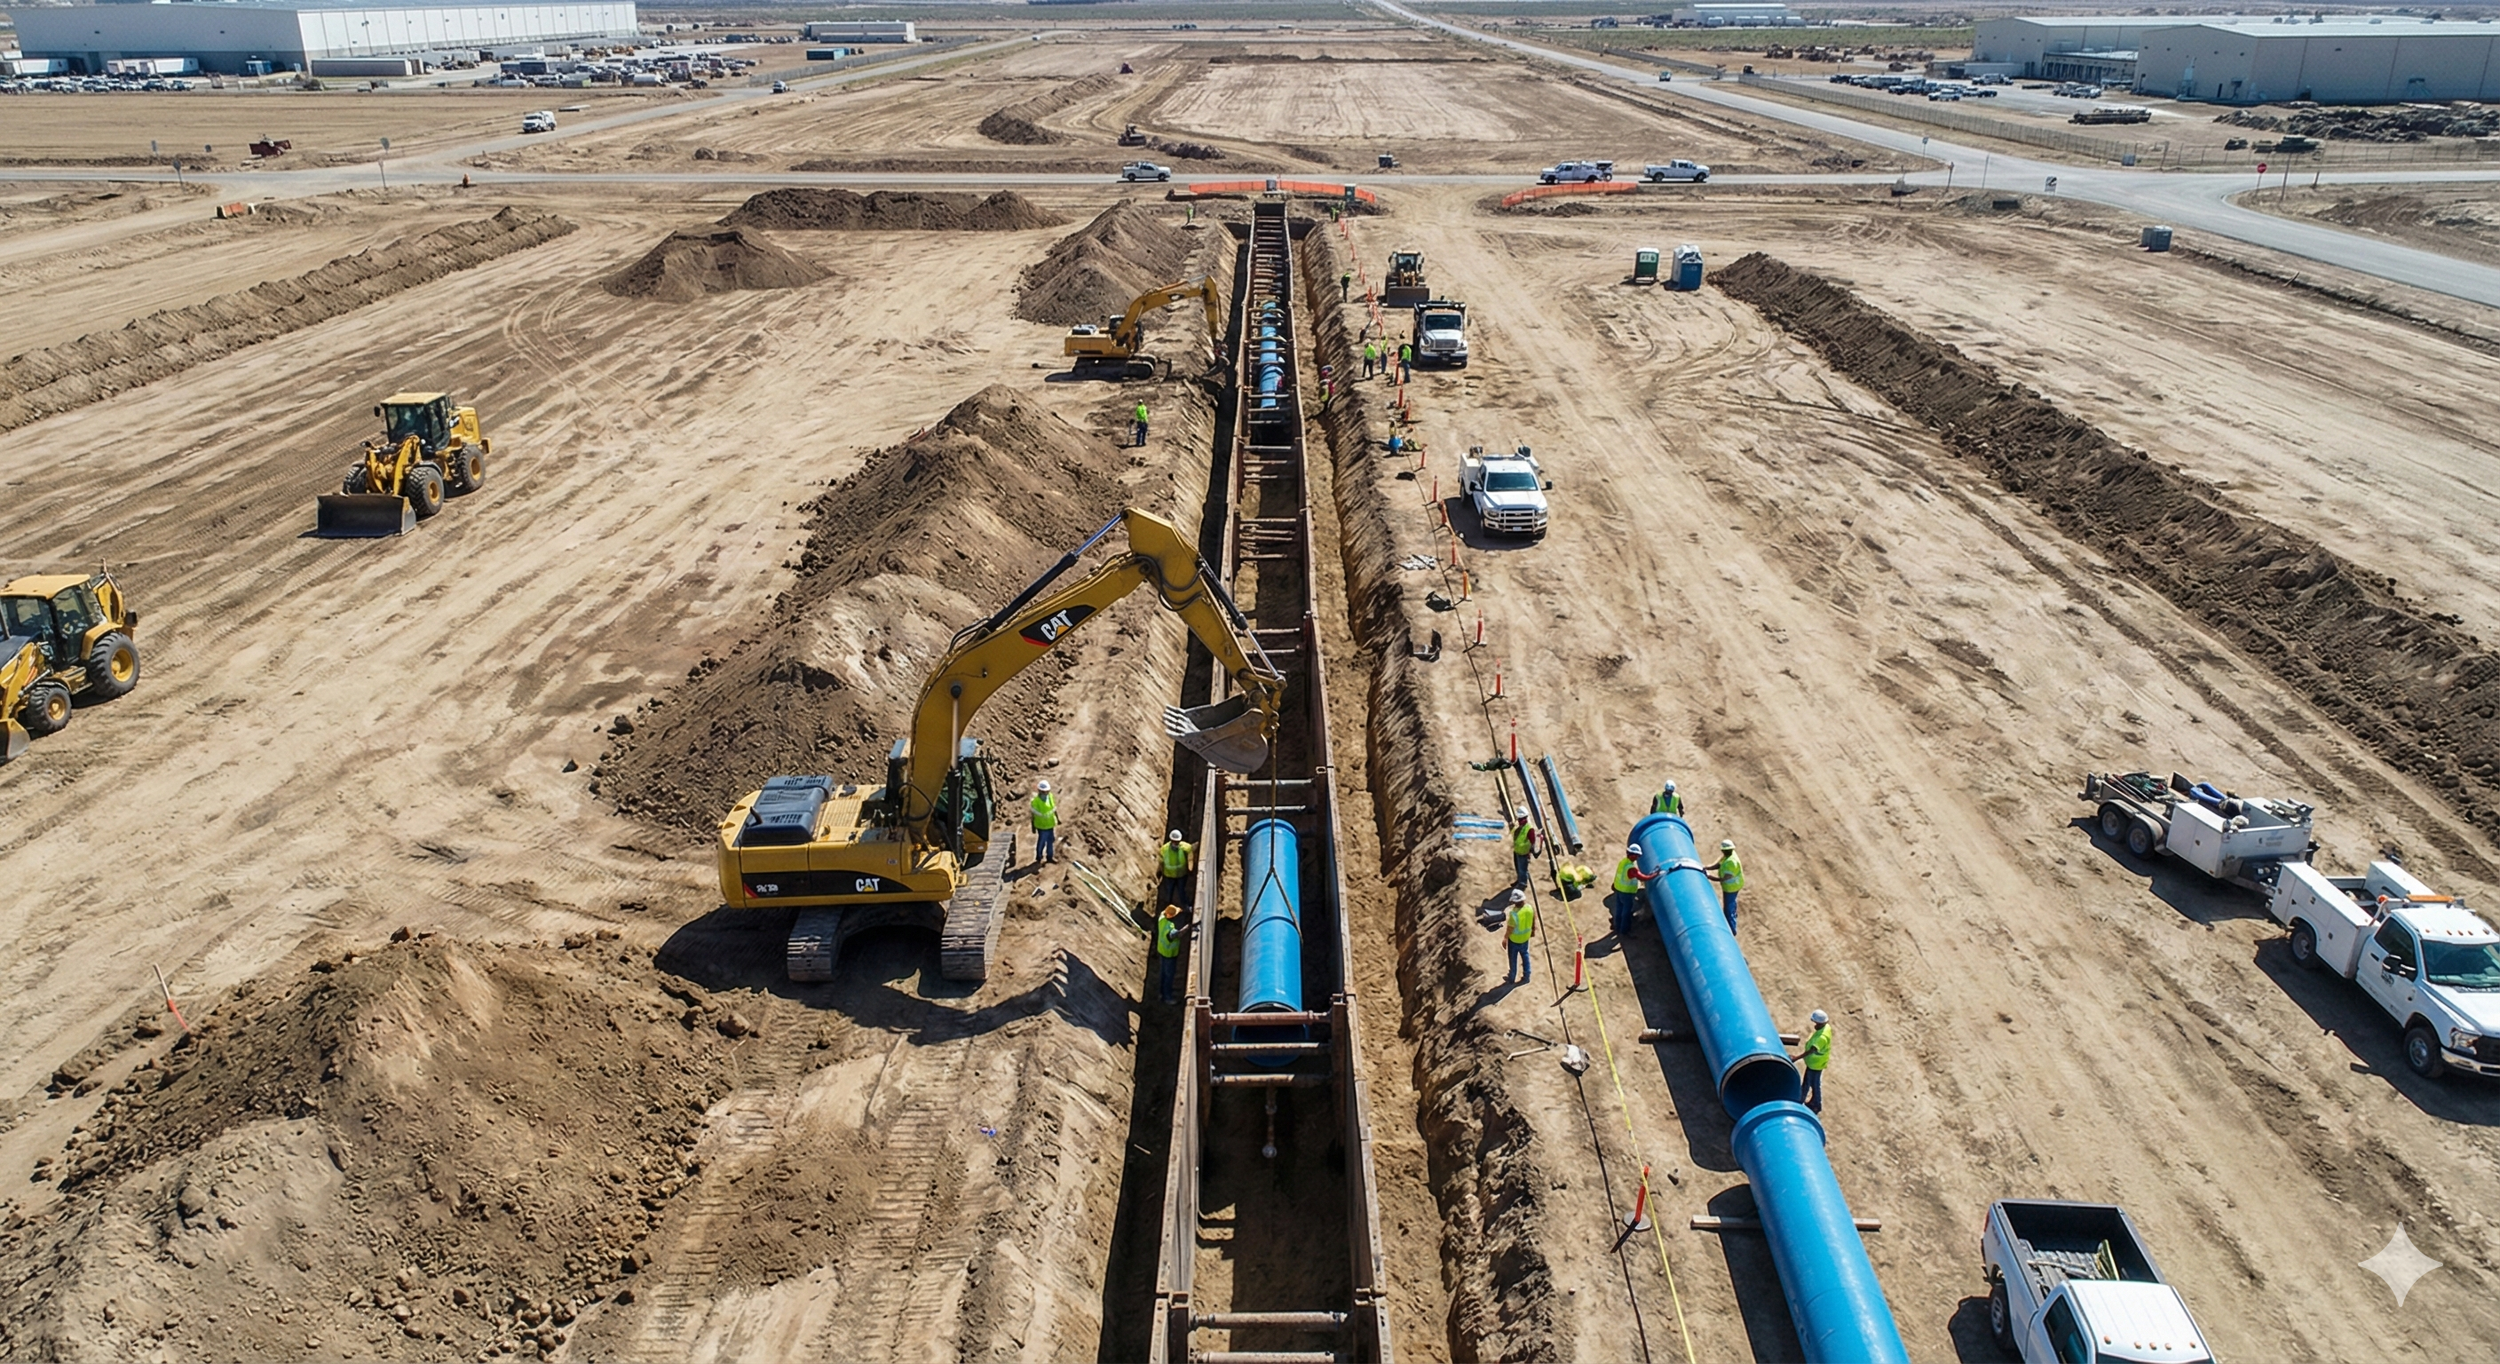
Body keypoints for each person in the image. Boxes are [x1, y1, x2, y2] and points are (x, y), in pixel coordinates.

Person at [1610, 844, 1660, 938]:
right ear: (1632, 854)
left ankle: (1616, 926)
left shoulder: (1623, 862)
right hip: (1626, 893)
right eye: (1637, 855)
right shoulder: (1631, 868)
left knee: (1619, 909)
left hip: (1619, 890)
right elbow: (1643, 878)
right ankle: (1624, 931)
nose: (1638, 857)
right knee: (1626, 913)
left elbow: (1619, 875)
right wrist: (1656, 874)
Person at [1703, 838, 1744, 932]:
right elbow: (1719, 865)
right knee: (1732, 902)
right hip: (1734, 884)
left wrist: (1710, 877)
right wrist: (1707, 867)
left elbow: (1726, 878)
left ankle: (1732, 929)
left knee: (1728, 908)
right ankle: (1733, 914)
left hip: (1731, 887)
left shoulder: (1731, 862)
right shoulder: (1729, 855)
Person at [1796, 1009, 1832, 1112]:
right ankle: (1807, 1100)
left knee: (1813, 1083)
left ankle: (1816, 1104)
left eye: (1815, 1023)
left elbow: (1812, 1050)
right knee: (1809, 1082)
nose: (1814, 1025)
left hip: (1816, 1064)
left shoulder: (1821, 1038)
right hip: (1816, 1062)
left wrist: (1797, 1057)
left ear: (1820, 1023)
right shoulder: (1826, 1028)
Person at [1156, 829, 1196, 910]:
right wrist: (1159, 870)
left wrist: (1190, 868)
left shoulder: (1186, 848)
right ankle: (1168, 907)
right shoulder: (1164, 849)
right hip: (1169, 875)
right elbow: (1161, 862)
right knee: (1169, 892)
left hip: (1181, 875)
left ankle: (1186, 906)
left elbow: (1190, 858)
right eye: (1174, 841)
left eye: (1177, 841)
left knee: (1181, 891)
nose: (1175, 843)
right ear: (1171, 840)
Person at [1503, 889, 1535, 985]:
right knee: (1525, 955)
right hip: (1525, 938)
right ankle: (1527, 976)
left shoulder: (1514, 914)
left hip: (1514, 940)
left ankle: (1511, 978)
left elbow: (1510, 928)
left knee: (1513, 959)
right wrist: (1533, 930)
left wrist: (1505, 938)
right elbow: (1534, 919)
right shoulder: (1530, 908)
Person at [1156, 904, 1185, 1004]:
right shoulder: (1169, 928)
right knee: (1169, 976)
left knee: (1163, 974)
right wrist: (1189, 927)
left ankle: (1161, 993)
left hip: (1161, 951)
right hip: (1169, 955)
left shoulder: (1162, 918)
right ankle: (1167, 997)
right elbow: (1176, 934)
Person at [1508, 807, 1541, 886]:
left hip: (1523, 853)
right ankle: (1519, 879)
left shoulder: (1529, 828)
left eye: (1521, 818)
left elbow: (1532, 841)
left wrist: (1529, 851)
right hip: (1517, 850)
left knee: (1523, 869)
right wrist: (1512, 827)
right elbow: (1514, 834)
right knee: (1518, 868)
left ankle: (1522, 883)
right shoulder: (1518, 825)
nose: (1520, 820)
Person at [1029, 779, 1059, 864]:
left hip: (1050, 824)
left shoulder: (1050, 797)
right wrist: (1033, 827)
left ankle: (1050, 857)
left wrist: (1058, 818)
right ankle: (1039, 857)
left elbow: (1054, 808)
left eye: (1047, 791)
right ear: (1040, 791)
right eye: (1044, 792)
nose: (1046, 793)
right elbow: (1032, 815)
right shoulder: (1035, 802)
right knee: (1041, 842)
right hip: (1041, 826)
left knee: (1050, 841)